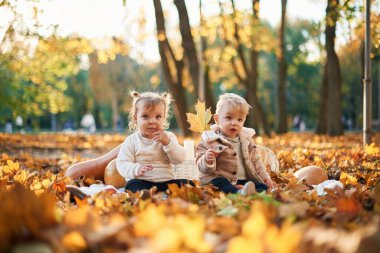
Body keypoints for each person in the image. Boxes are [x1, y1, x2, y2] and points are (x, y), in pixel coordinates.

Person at [196, 93, 276, 196]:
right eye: (229, 118)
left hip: (243, 180)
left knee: (262, 186)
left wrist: (266, 177)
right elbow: (200, 166)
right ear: (217, 119)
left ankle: (247, 191)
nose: (234, 123)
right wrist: (207, 160)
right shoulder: (210, 140)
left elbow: (257, 162)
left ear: (244, 121)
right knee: (220, 183)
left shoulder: (247, 141)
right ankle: (238, 192)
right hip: (221, 180)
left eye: (240, 119)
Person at [116, 91, 189, 193]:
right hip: (142, 182)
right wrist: (136, 169)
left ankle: (167, 196)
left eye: (158, 116)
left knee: (188, 184)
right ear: (135, 118)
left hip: (166, 182)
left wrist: (168, 144)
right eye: (145, 116)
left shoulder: (169, 137)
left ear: (164, 118)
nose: (152, 121)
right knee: (131, 185)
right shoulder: (132, 141)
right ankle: (146, 196)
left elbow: (180, 159)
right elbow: (122, 163)